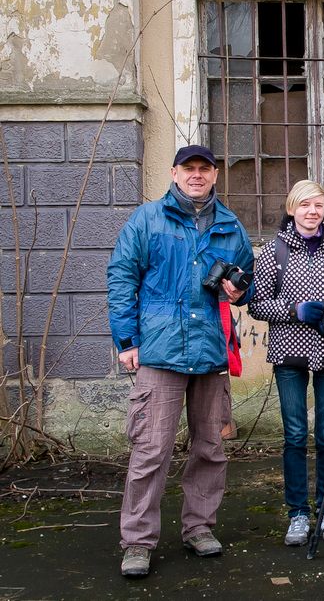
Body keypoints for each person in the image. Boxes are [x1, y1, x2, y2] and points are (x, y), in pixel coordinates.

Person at [107, 145, 254, 577]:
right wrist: (127, 340)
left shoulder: (230, 226)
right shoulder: (147, 219)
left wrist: (238, 291)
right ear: (174, 173)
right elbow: (121, 277)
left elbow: (247, 282)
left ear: (214, 175)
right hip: (160, 351)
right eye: (188, 168)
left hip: (209, 351)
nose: (196, 175)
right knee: (151, 450)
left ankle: (199, 528)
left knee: (210, 448)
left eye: (204, 169)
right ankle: (137, 542)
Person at [248, 180, 324, 547]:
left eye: (317, 205)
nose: (312, 211)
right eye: (304, 205)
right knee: (295, 435)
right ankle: (298, 513)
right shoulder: (274, 251)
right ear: (292, 209)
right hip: (289, 354)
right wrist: (294, 311)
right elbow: (257, 305)